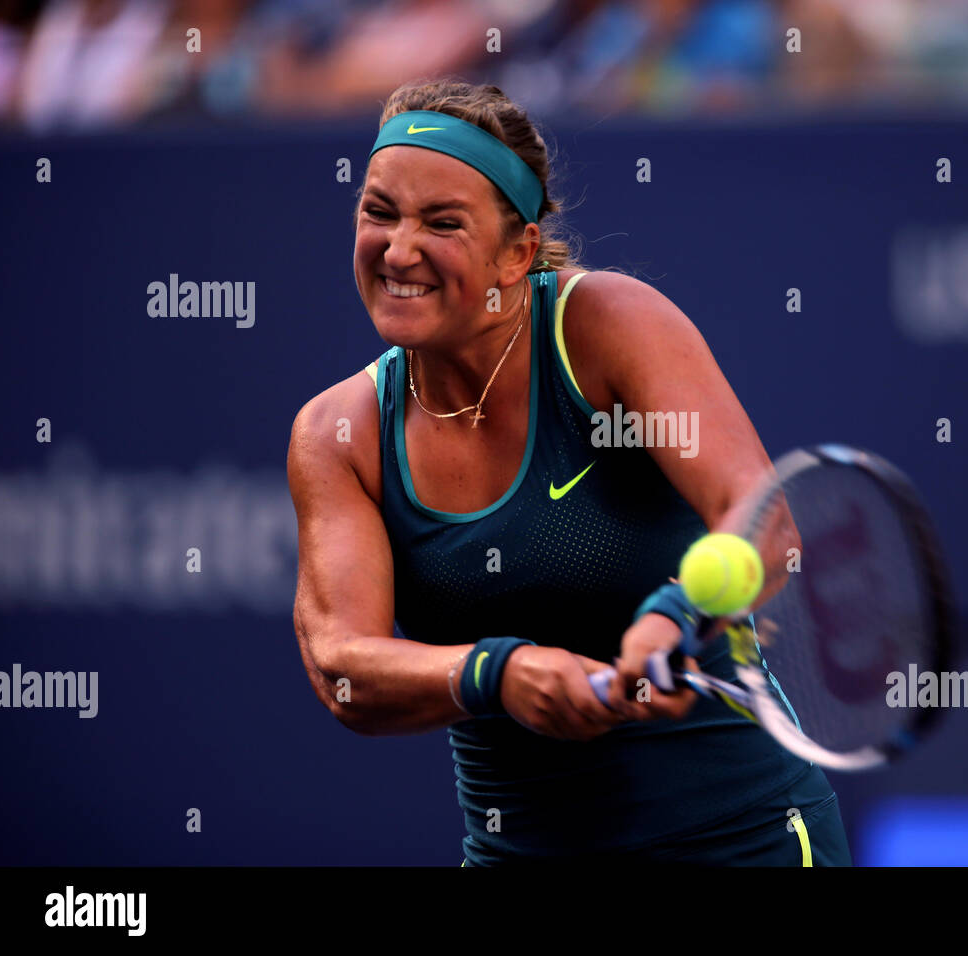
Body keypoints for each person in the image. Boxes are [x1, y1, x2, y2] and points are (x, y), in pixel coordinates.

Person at [287, 77, 851, 865]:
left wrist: (679, 612)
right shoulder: (337, 433)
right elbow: (341, 666)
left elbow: (763, 516)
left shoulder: (608, 326)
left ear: (516, 254)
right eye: (379, 212)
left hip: (741, 841)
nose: (399, 248)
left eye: (442, 223)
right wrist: (495, 673)